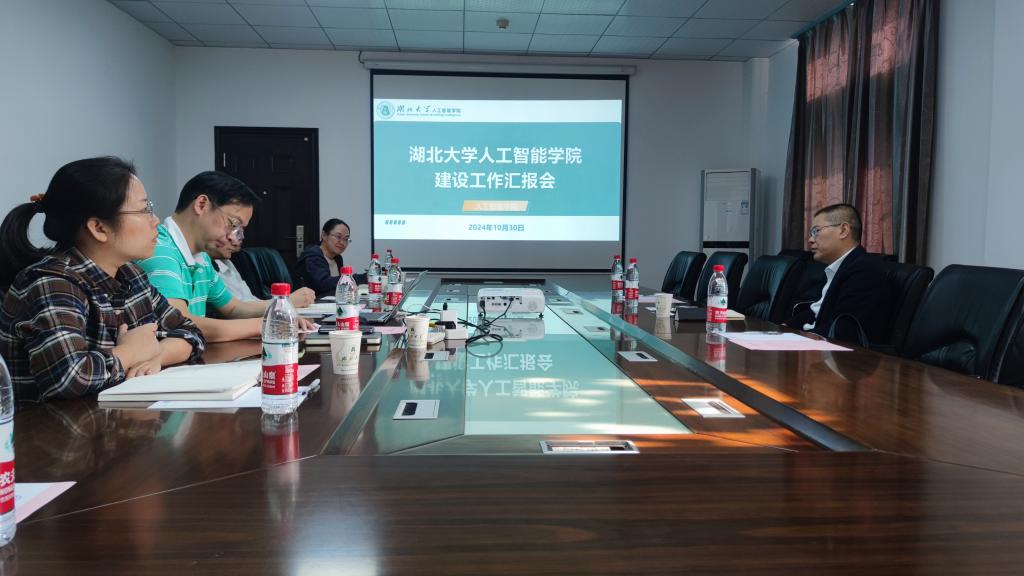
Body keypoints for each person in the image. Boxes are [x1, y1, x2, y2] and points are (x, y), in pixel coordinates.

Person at [0, 157, 205, 408]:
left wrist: (155, 356)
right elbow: (69, 377)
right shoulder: (52, 282)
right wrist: (129, 353)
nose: (155, 220)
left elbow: (190, 331)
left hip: (111, 419)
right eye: (144, 210)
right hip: (48, 429)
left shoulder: (131, 274)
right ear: (98, 228)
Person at [136, 171, 315, 341]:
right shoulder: (159, 249)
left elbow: (233, 308)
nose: (233, 237)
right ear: (201, 205)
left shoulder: (202, 258)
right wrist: (268, 324)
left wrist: (282, 309)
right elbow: (179, 323)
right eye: (233, 224)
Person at [786, 203, 891, 344]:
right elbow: (815, 312)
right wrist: (783, 328)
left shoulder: (864, 270)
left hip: (836, 353)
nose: (810, 240)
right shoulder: (837, 268)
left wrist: (796, 340)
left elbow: (843, 330)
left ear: (843, 230)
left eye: (816, 231)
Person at [205, 232, 315, 307]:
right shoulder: (205, 265)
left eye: (241, 229)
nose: (236, 239)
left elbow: (239, 307)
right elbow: (235, 311)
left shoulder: (225, 262)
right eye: (233, 226)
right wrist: (285, 302)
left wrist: (284, 305)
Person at [296, 219, 366, 297]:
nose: (342, 242)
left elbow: (337, 287)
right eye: (338, 237)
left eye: (346, 239)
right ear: (324, 235)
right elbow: (323, 284)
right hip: (312, 302)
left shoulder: (337, 258)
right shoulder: (313, 256)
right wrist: (357, 278)